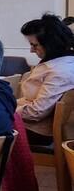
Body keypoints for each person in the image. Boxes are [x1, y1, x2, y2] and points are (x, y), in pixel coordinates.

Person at [17, 13, 74, 146]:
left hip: (36, 130)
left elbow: (36, 112)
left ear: (50, 44)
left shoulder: (59, 71)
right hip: (32, 123)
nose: (31, 50)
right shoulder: (63, 63)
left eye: (34, 45)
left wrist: (9, 110)